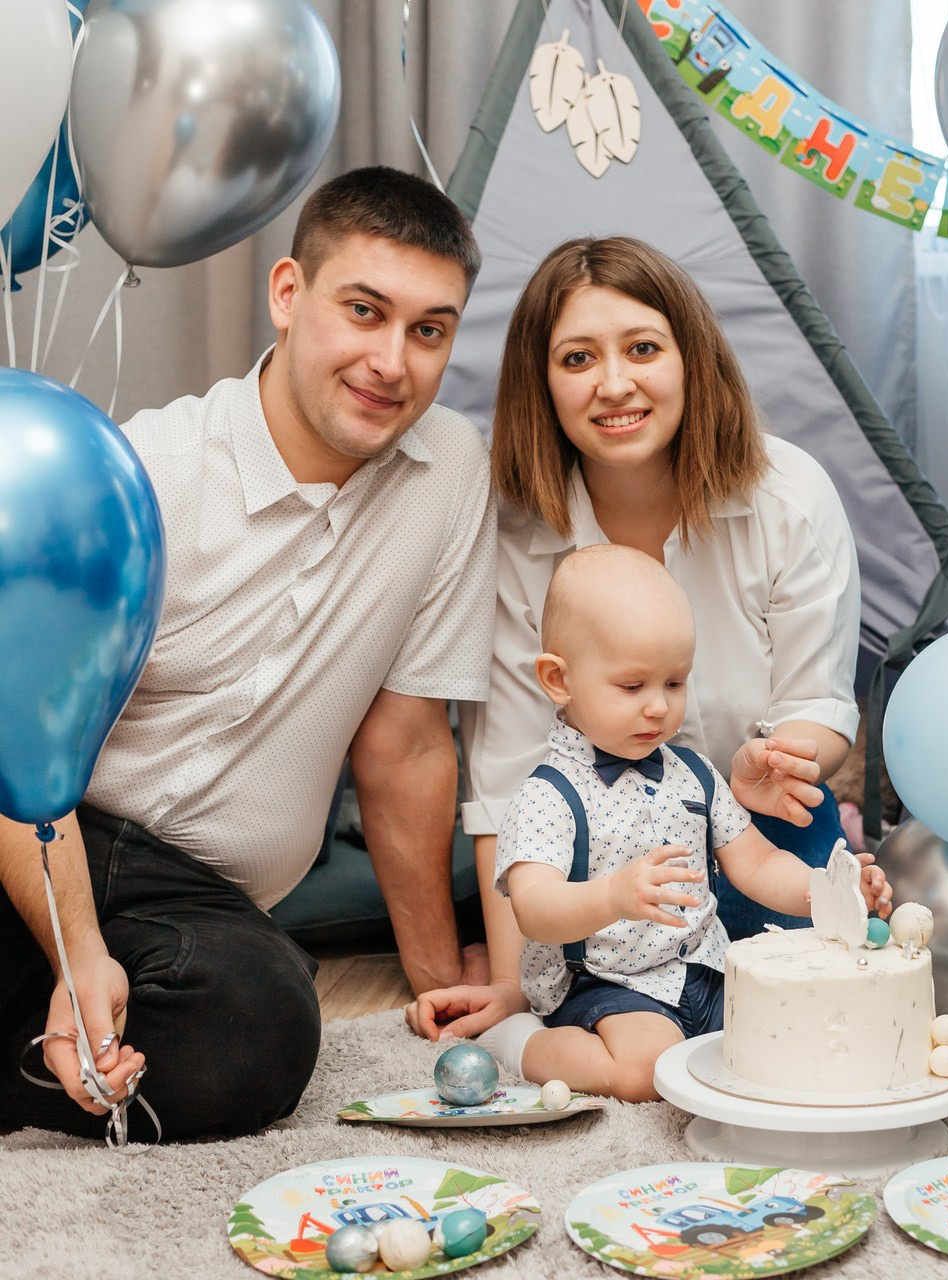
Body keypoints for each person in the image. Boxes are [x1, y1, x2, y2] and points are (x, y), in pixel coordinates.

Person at [0, 166, 496, 1142]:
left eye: (428, 330)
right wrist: (77, 951)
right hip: (37, 828)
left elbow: (403, 745)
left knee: (259, 1025)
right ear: (285, 294)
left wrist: (439, 990)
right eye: (363, 310)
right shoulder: (143, 472)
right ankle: (65, 1030)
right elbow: (15, 743)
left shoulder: (449, 475)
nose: (390, 360)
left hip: (197, 901)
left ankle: (61, 1044)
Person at [407, 235, 862, 1044]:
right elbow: (509, 782)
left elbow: (817, 702)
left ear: (690, 358)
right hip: (596, 885)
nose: (614, 384)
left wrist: (776, 762)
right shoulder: (514, 538)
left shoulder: (788, 497)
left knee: (819, 1026)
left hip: (759, 838)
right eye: (577, 358)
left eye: (643, 349)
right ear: (541, 385)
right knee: (622, 1030)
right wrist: (517, 986)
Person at [483, 545, 888, 1100]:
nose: (658, 707)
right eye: (633, 686)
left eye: (674, 683)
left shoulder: (694, 773)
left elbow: (758, 863)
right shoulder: (547, 795)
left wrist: (830, 893)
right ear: (559, 679)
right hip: (605, 981)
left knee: (785, 1037)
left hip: (704, 966)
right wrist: (611, 897)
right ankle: (520, 1042)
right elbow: (534, 909)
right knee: (645, 1070)